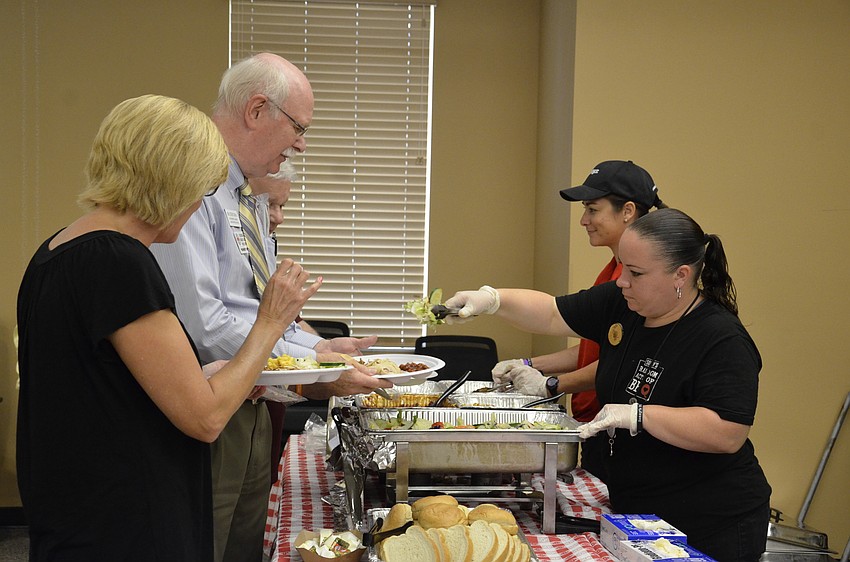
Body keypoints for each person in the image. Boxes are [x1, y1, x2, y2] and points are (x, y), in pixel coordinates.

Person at [16, 94, 323, 561]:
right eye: (201, 192)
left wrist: (207, 374)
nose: (198, 206)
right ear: (173, 183)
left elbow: (102, 388)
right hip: (128, 525)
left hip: (76, 511)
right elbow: (205, 419)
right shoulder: (118, 262)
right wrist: (271, 321)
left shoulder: (58, 250)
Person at [150, 54, 391, 562]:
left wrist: (318, 346)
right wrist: (315, 368)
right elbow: (205, 325)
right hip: (212, 398)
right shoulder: (194, 182)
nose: (301, 143)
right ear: (258, 109)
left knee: (244, 543)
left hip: (258, 397)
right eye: (298, 127)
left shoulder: (248, 196)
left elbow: (255, 309)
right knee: (205, 541)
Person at [443, 208, 771, 561]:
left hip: (710, 520)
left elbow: (727, 432)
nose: (622, 281)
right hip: (638, 513)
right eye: (623, 267)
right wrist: (492, 300)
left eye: (636, 273)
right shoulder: (623, 303)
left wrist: (638, 416)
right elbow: (552, 312)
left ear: (681, 275)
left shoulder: (721, 339)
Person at [491, 160, 666, 480]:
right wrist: (530, 364)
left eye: (593, 209)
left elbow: (624, 361)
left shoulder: (635, 284)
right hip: (594, 424)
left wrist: (552, 385)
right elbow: (596, 347)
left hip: (620, 431)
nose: (584, 220)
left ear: (627, 211)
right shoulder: (611, 273)